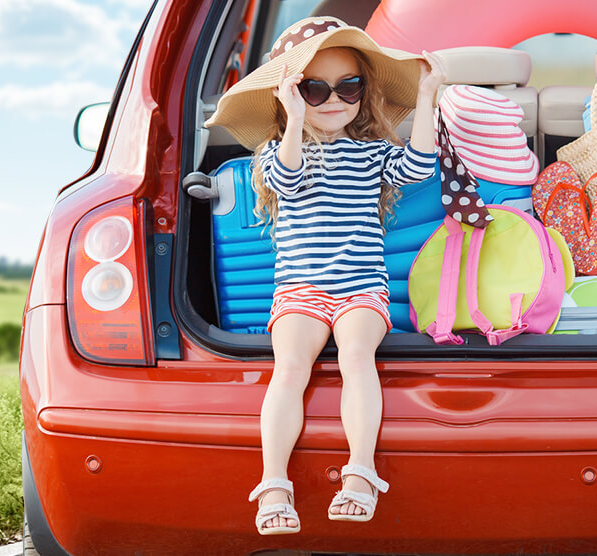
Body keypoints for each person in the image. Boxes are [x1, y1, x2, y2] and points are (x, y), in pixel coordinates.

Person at [204, 17, 445, 533]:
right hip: (301, 290)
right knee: (289, 368)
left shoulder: (373, 152)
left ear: (365, 90)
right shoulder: (275, 152)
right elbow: (286, 181)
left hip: (361, 287)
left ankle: (361, 473)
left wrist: (427, 98)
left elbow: (420, 169)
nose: (333, 99)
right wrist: (294, 120)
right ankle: (273, 483)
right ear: (291, 95)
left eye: (349, 86)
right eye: (314, 88)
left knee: (359, 357)